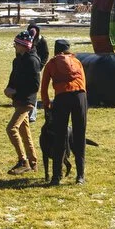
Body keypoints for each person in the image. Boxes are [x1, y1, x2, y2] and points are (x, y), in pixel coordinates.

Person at [39, 38, 89, 185]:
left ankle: (56, 176)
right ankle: (80, 175)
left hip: (62, 98)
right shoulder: (77, 61)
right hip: (80, 96)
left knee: (59, 136)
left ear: (55, 50)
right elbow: (84, 83)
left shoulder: (51, 63)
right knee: (79, 135)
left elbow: (44, 88)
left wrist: (47, 104)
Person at [5, 32, 42, 174]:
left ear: (24, 46)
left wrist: (16, 91)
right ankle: (33, 163)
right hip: (18, 100)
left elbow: (34, 85)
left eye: (16, 44)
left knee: (11, 129)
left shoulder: (32, 60)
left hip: (27, 101)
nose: (14, 46)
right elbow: (14, 77)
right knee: (24, 132)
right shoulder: (17, 60)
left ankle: (23, 161)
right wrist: (9, 88)